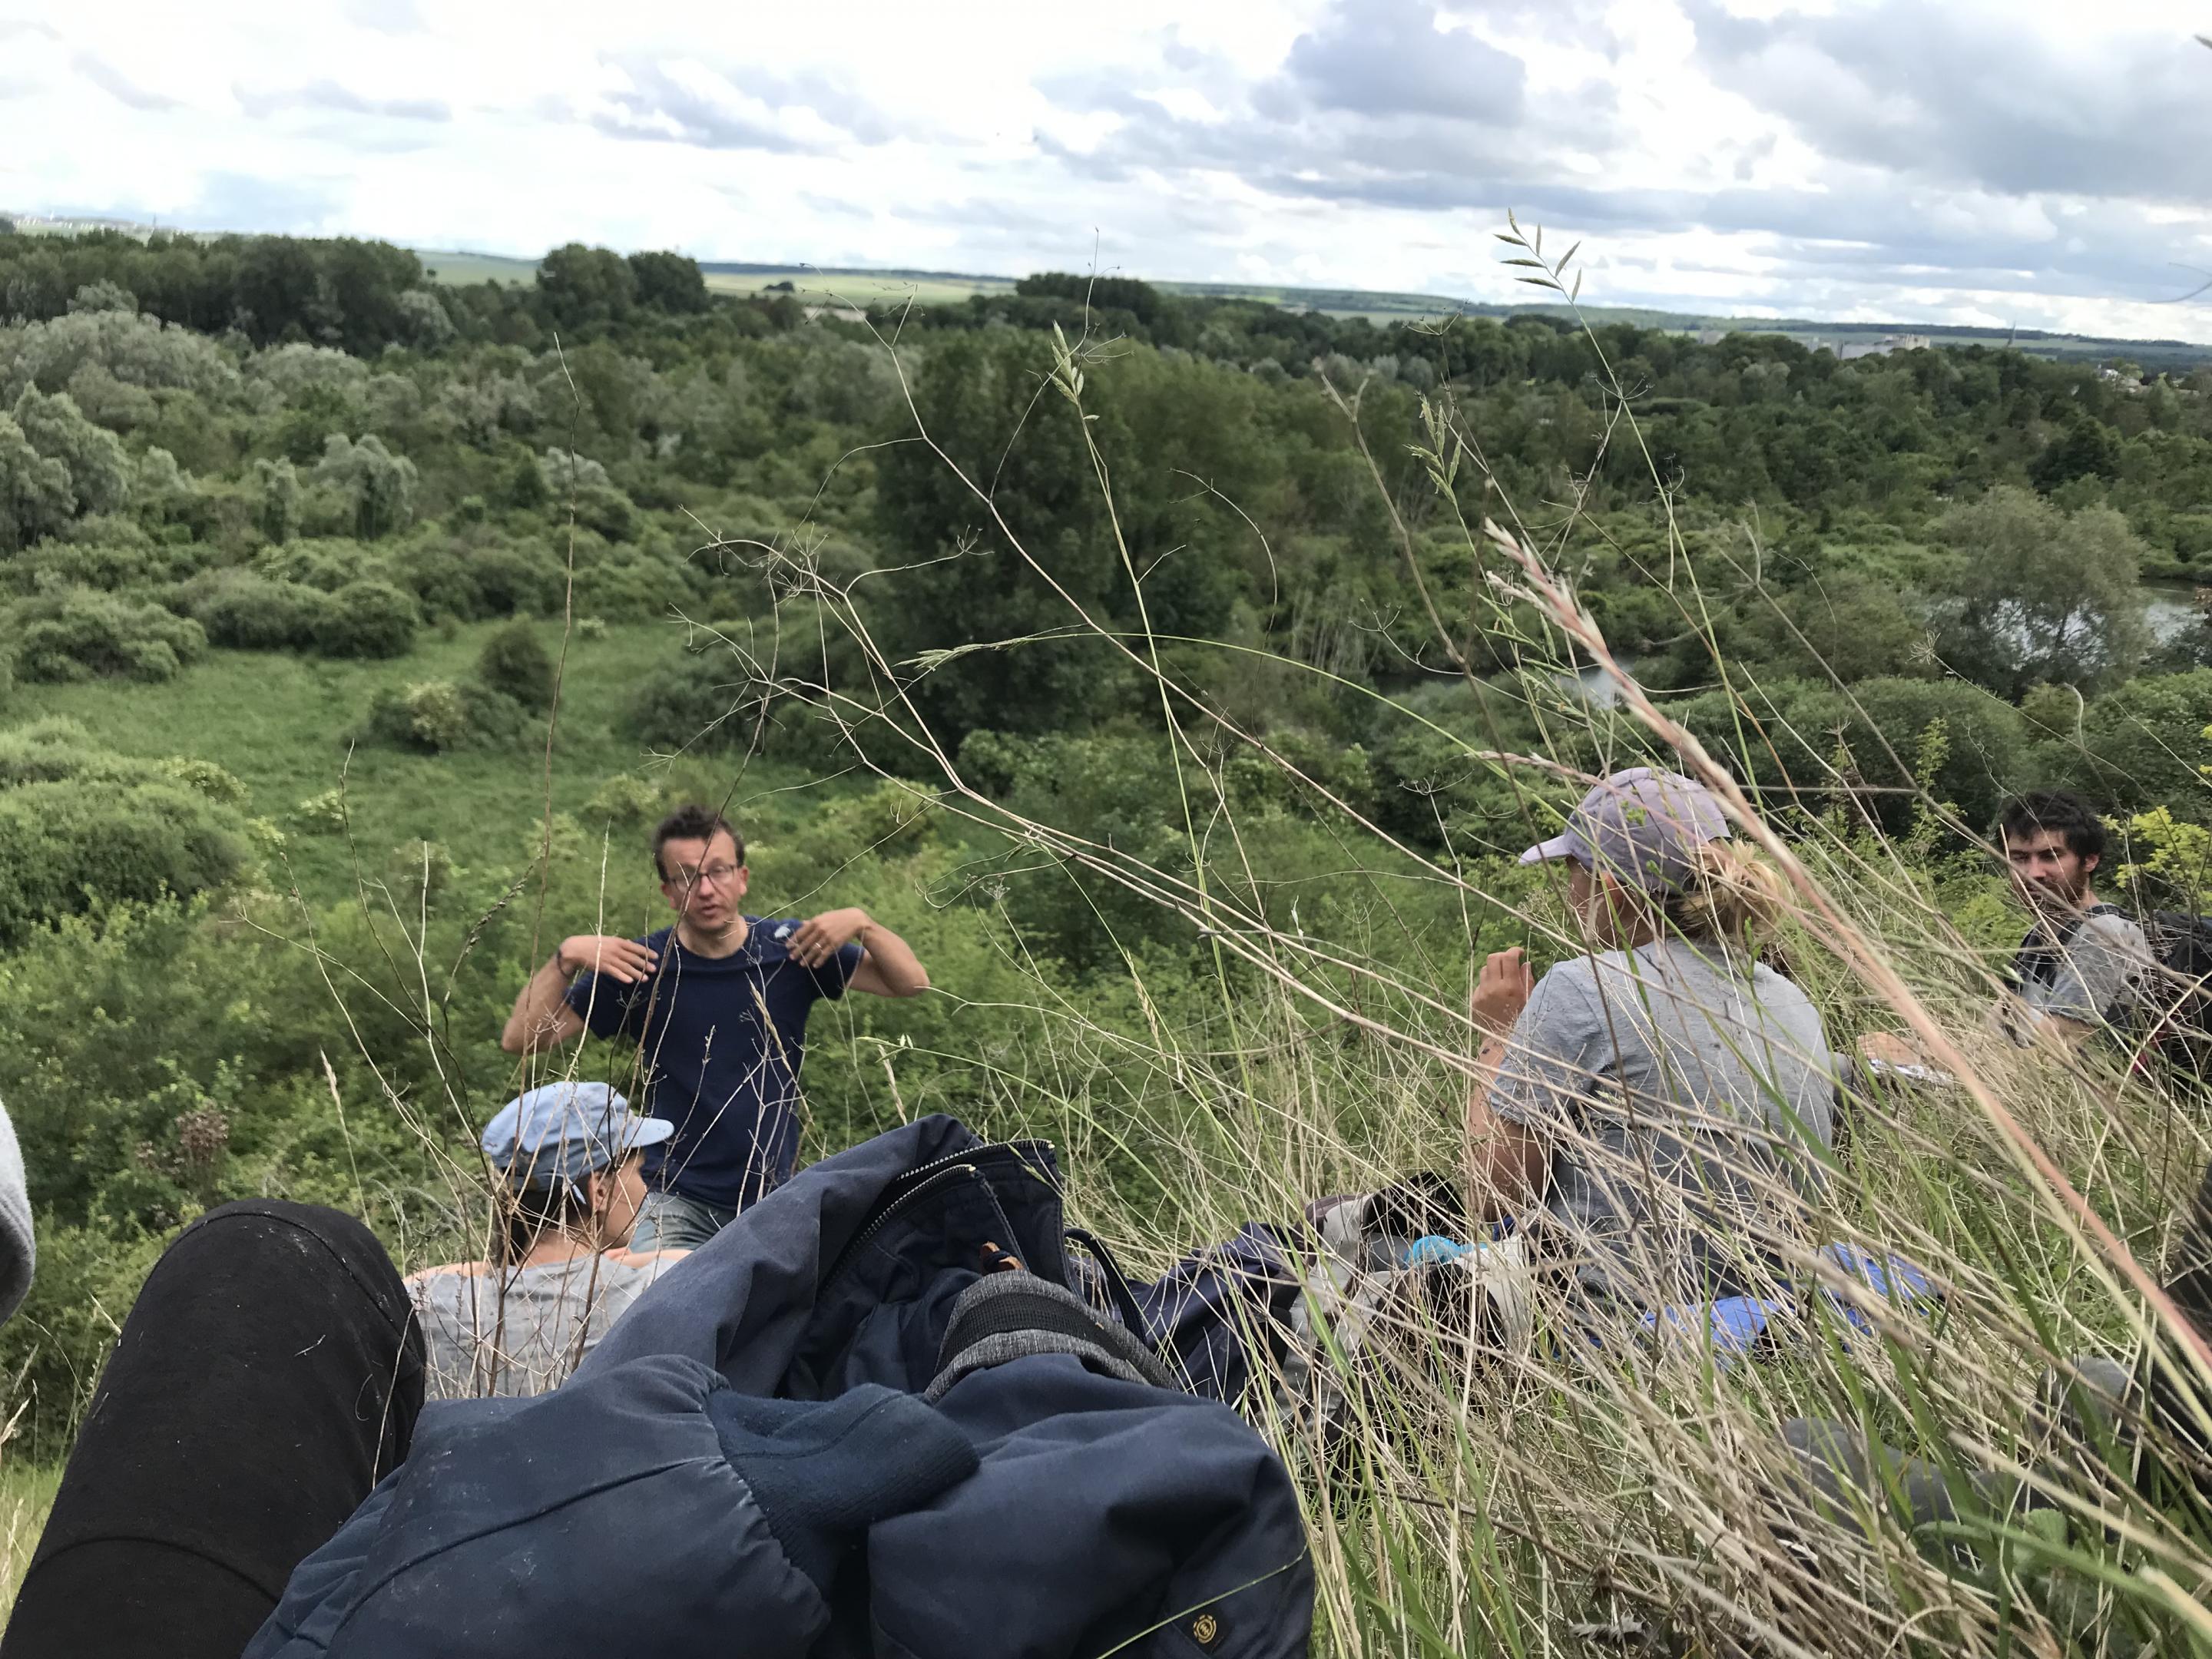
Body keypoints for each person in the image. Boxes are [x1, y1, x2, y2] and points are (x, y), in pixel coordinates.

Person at [1463, 767, 1837, 1309]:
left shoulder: (1583, 986)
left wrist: (1499, 1035)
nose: (1568, 892)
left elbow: (1493, 1196)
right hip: (1765, 1308)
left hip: (1612, 1320)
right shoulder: (1789, 999)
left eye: (1573, 870)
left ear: (1609, 890)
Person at [501, 803, 931, 1250]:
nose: (705, 889)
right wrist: (565, 958)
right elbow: (522, 1039)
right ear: (668, 891)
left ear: (742, 878)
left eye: (719, 872)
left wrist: (864, 924)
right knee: (659, 1311)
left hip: (771, 1195)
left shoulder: (790, 950)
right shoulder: (641, 965)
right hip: (675, 1197)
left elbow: (912, 984)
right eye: (687, 877)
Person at [407, 1081, 688, 1399]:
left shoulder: (429, 1303)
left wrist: (496, 1268)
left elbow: (417, 1280)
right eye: (638, 1171)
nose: (644, 1187)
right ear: (600, 1189)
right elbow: (694, 1261)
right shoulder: (653, 1290)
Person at [1860, 788, 2152, 1069]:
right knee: (1840, 1066)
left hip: (2080, 1111)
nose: (2033, 874)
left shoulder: (2105, 937)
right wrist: (1912, 1048)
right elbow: (1991, 1035)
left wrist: (1928, 1057)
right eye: (2020, 859)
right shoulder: (2040, 936)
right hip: (2012, 1095)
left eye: (2051, 856)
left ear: (2090, 860)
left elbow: (2050, 1064)